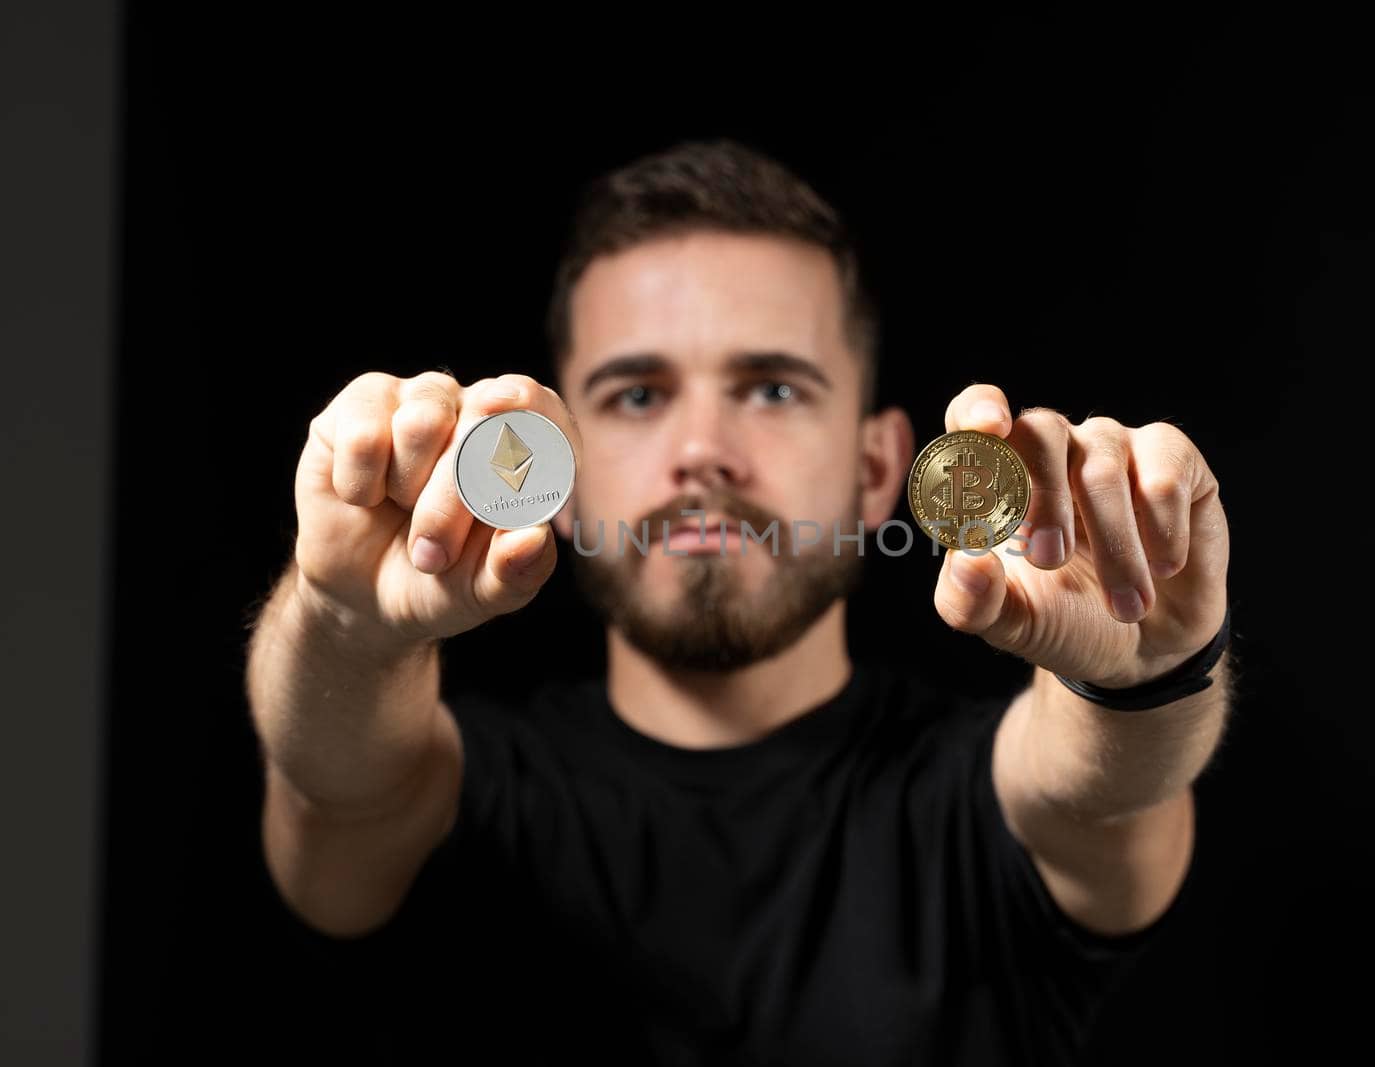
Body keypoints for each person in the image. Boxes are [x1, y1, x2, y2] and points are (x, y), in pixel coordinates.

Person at [244, 138, 1234, 1065]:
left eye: (770, 389)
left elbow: (1108, 790)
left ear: (876, 464)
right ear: (563, 473)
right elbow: (336, 782)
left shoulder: (983, 805)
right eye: (637, 394)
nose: (701, 450)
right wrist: (342, 626)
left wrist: (1150, 678)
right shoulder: (454, 799)